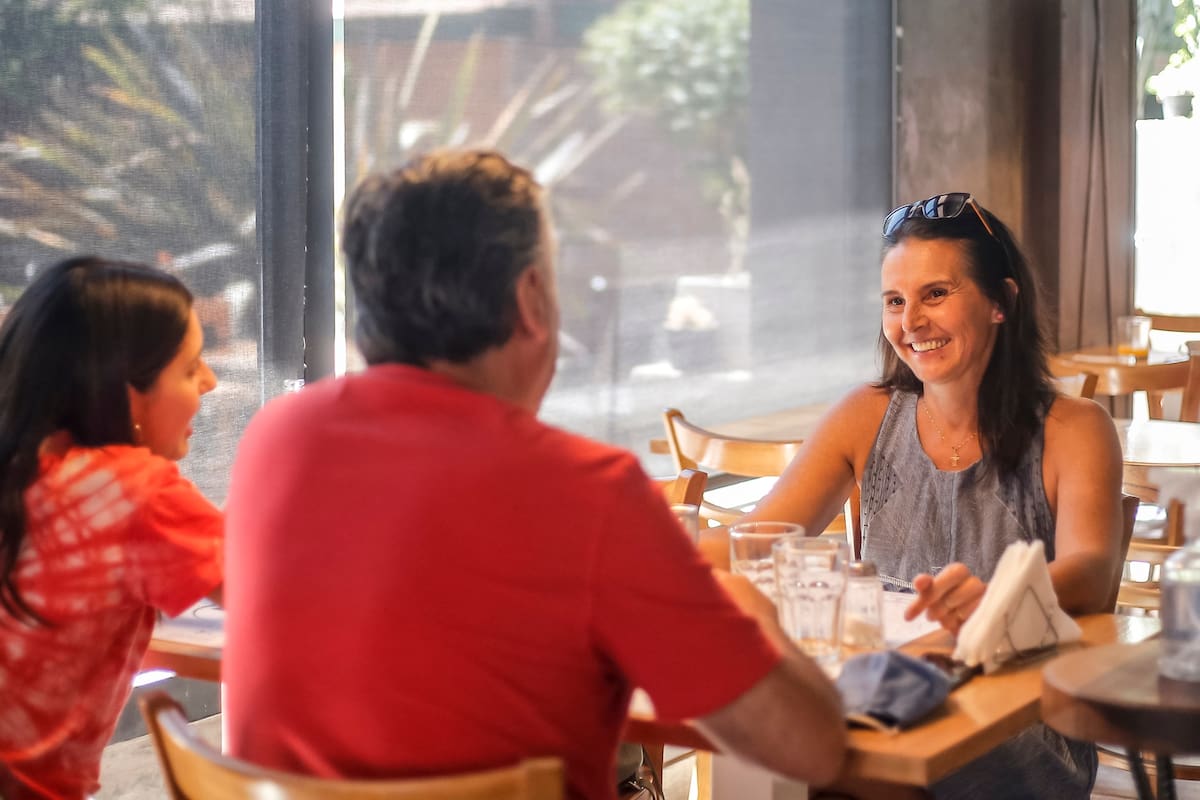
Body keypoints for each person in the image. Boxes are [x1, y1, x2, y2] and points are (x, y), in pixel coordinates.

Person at [222, 149, 846, 799]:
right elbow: (813, 749)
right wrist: (743, 605)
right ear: (531, 297)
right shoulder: (591, 494)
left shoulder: (275, 440)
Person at [743, 193, 1124, 799]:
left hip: (1016, 724)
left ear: (1001, 301)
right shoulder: (863, 414)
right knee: (784, 750)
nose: (910, 322)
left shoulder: (1074, 428)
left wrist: (998, 597)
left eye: (936, 294)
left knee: (815, 766)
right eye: (895, 301)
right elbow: (760, 541)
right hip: (885, 702)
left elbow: (1092, 572)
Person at [0, 256, 223, 799]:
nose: (211, 383)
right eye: (191, 368)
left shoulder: (24, 462)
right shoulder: (134, 492)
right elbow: (275, 598)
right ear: (128, 393)